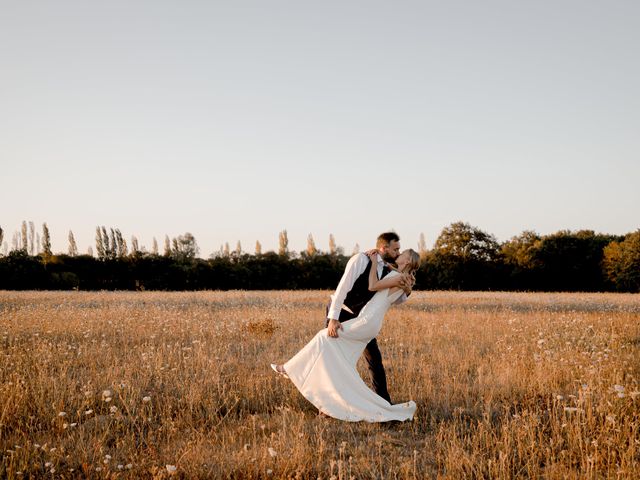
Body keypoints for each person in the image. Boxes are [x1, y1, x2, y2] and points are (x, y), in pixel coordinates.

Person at [270, 249, 420, 422]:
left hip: (366, 321)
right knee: (339, 355)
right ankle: (329, 401)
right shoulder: (402, 277)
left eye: (403, 254)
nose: (399, 254)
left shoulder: (399, 278)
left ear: (407, 261)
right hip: (371, 323)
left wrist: (372, 263)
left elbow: (372, 285)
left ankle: (290, 369)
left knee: (324, 337)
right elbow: (394, 284)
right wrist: (378, 259)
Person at [327, 232, 408, 403]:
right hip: (341, 311)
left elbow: (394, 298)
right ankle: (328, 404)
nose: (398, 253)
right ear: (383, 248)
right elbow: (342, 288)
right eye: (395, 249)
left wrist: (407, 289)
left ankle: (384, 402)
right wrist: (333, 318)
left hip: (361, 319)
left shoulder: (388, 269)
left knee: (374, 359)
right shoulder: (361, 260)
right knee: (334, 357)